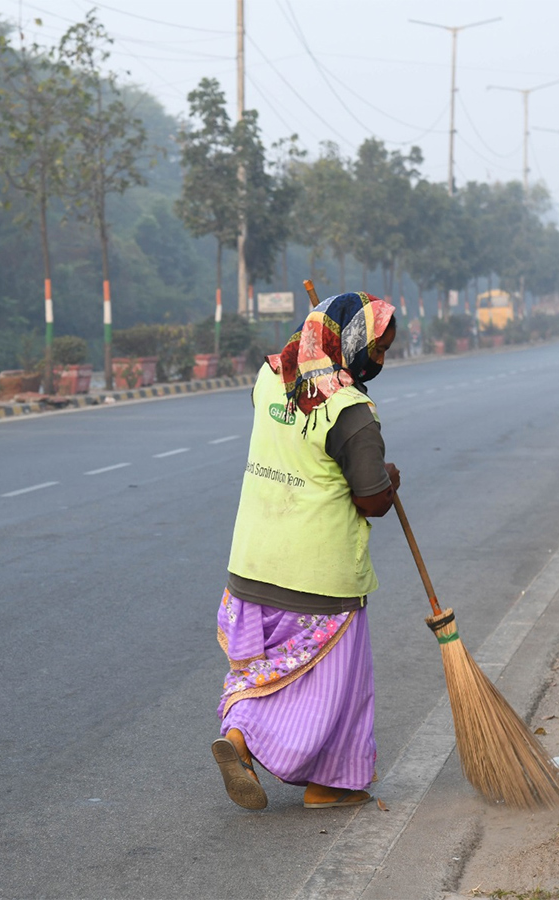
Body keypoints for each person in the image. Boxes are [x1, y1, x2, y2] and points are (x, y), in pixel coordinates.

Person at [211, 290, 401, 811]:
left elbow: (287, 435)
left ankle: (239, 739)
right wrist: (388, 479)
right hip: (319, 577)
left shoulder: (270, 375)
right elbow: (371, 500)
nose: (380, 360)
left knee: (269, 672)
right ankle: (329, 784)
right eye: (379, 348)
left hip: (253, 564)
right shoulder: (351, 411)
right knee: (336, 689)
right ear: (353, 342)